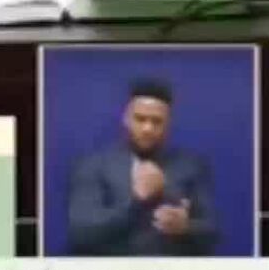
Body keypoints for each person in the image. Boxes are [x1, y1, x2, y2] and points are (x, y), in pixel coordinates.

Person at [67, 79, 218, 255]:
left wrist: (185, 227)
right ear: (126, 119)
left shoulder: (190, 166)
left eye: (157, 121)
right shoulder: (93, 165)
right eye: (140, 119)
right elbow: (81, 233)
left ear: (168, 124)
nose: (147, 128)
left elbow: (212, 233)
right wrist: (137, 202)